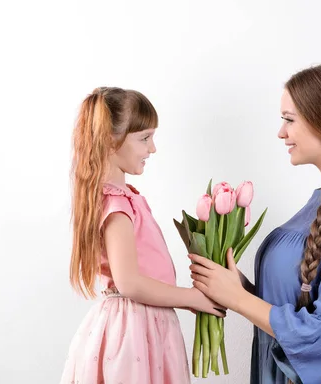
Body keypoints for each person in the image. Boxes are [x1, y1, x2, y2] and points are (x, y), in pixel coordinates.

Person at [189, 64, 321, 383]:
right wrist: (239, 288)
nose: (281, 132)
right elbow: (299, 304)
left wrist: (238, 300)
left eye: (289, 120)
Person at [60, 86, 225, 384]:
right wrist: (192, 297)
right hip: (134, 328)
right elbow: (130, 283)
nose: (152, 148)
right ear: (111, 142)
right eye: (144, 138)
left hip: (142, 324)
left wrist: (187, 299)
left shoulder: (124, 198)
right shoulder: (117, 205)